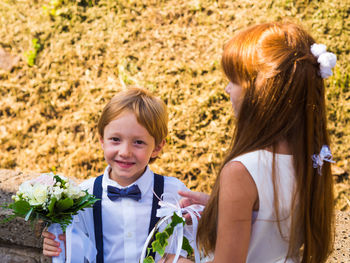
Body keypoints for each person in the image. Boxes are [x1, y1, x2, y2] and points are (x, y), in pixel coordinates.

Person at [177, 21, 336, 263]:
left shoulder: (241, 171)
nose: (228, 89)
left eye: (234, 80)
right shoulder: (311, 159)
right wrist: (223, 207)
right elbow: (273, 221)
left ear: (259, 91)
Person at [42, 87, 190, 262]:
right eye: (115, 139)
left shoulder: (174, 193)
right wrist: (58, 244)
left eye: (138, 142)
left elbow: (198, 241)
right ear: (102, 140)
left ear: (157, 147)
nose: (125, 152)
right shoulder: (82, 197)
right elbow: (74, 249)